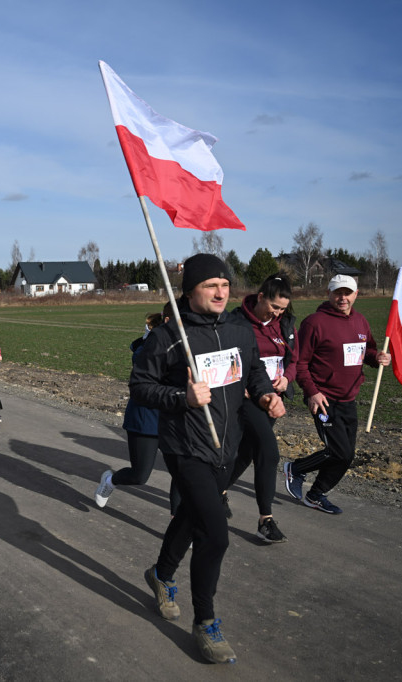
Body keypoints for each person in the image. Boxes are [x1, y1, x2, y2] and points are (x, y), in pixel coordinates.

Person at [131, 254, 284, 665]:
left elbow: (251, 372)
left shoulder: (239, 329)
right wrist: (182, 398)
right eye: (211, 285)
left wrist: (266, 393)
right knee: (215, 532)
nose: (221, 292)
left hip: (226, 446)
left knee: (195, 516)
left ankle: (161, 575)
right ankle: (206, 622)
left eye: (225, 284)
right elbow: (140, 387)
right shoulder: (167, 337)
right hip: (185, 446)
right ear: (190, 290)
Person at [284, 274, 391, 515]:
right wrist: (311, 392)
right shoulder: (315, 322)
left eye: (347, 292)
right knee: (338, 451)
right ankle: (297, 468)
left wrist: (378, 357)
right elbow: (300, 363)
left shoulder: (361, 322)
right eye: (337, 292)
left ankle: (316, 495)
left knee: (346, 455)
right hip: (323, 399)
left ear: (356, 294)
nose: (342, 297)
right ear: (329, 294)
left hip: (348, 399)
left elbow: (368, 350)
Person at [223, 273, 297, 543]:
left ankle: (215, 492)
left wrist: (287, 377)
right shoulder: (236, 321)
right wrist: (239, 383)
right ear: (261, 297)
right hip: (245, 398)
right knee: (268, 449)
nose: (277, 313)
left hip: (272, 397)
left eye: (282, 309)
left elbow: (294, 358)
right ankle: (265, 520)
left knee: (247, 451)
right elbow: (228, 357)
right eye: (274, 307)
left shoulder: (285, 324)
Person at [95, 304, 179, 514]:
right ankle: (111, 480)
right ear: (169, 322)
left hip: (176, 419)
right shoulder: (148, 347)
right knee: (140, 475)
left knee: (183, 474)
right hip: (146, 419)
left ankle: (180, 525)